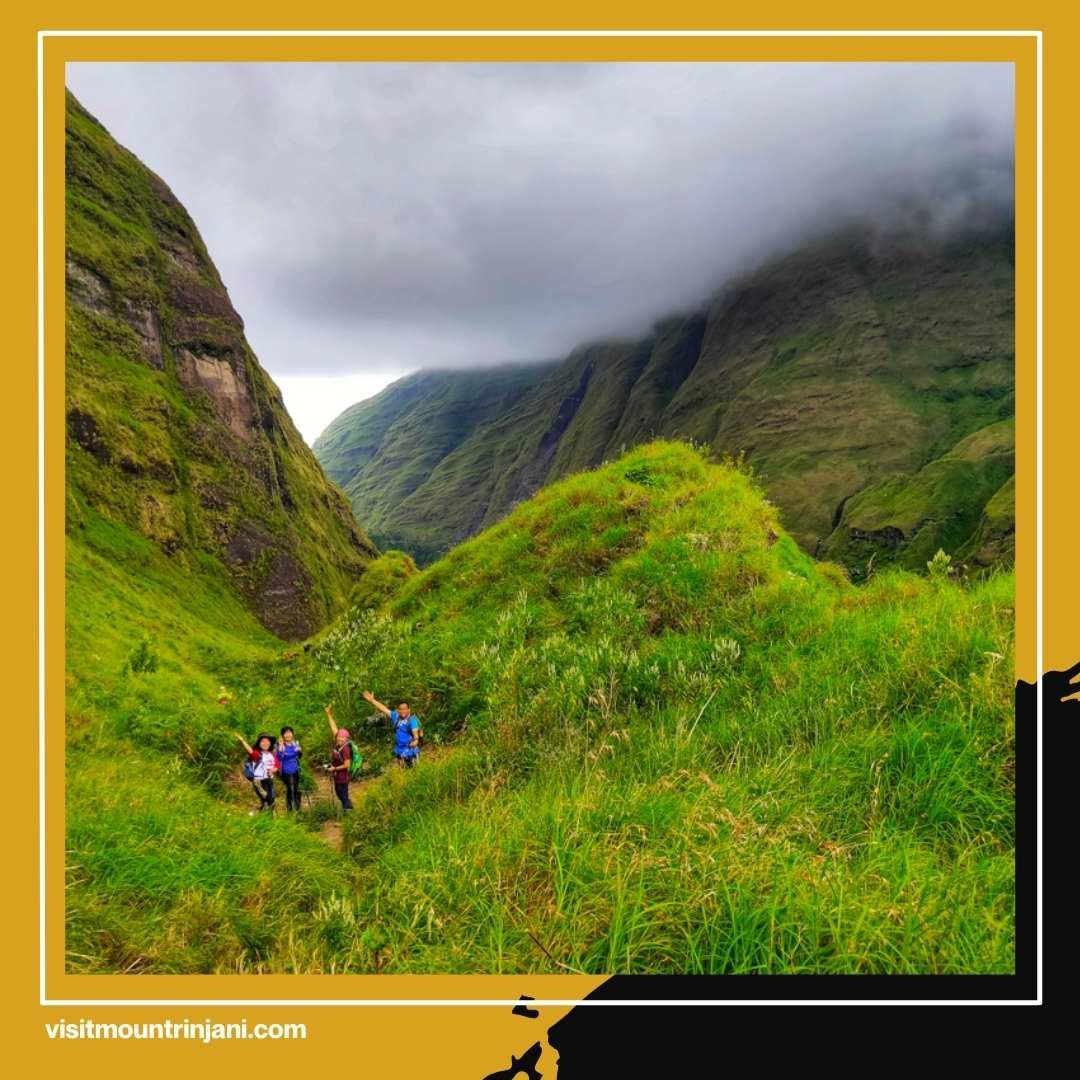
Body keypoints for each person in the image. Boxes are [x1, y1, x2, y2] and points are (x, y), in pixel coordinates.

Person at [363, 690, 422, 767]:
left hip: (410, 751)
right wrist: (372, 700)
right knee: (402, 773)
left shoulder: (412, 720)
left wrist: (416, 741)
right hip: (399, 750)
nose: (403, 711)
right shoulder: (396, 716)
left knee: (414, 771)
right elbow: (383, 709)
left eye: (405, 709)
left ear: (409, 709)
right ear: (398, 710)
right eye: (401, 709)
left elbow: (415, 734)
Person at [235, 731, 277, 813]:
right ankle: (270, 816)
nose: (265, 743)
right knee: (268, 798)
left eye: (267, 741)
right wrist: (242, 741)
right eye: (263, 741)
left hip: (269, 781)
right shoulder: (257, 754)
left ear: (270, 743)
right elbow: (250, 751)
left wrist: (272, 770)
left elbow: (276, 766)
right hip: (259, 781)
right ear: (259, 744)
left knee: (269, 800)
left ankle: (265, 816)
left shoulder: (271, 755)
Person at [323, 705, 353, 811]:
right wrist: (328, 714)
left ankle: (348, 813)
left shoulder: (345, 749)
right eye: (338, 737)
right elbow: (334, 729)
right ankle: (348, 809)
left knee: (343, 794)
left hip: (343, 776)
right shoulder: (339, 744)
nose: (339, 739)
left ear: (346, 739)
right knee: (339, 792)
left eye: (341, 738)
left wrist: (334, 768)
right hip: (338, 775)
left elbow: (347, 764)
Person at [275, 726, 303, 812]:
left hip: (295, 770)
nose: (288, 735)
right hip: (286, 771)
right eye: (285, 733)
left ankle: (297, 807)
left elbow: (299, 756)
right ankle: (290, 809)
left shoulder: (295, 743)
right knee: (291, 788)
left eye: (289, 732)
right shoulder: (281, 745)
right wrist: (280, 748)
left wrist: (300, 751)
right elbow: (279, 758)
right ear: (283, 735)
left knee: (296, 788)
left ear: (292, 734)